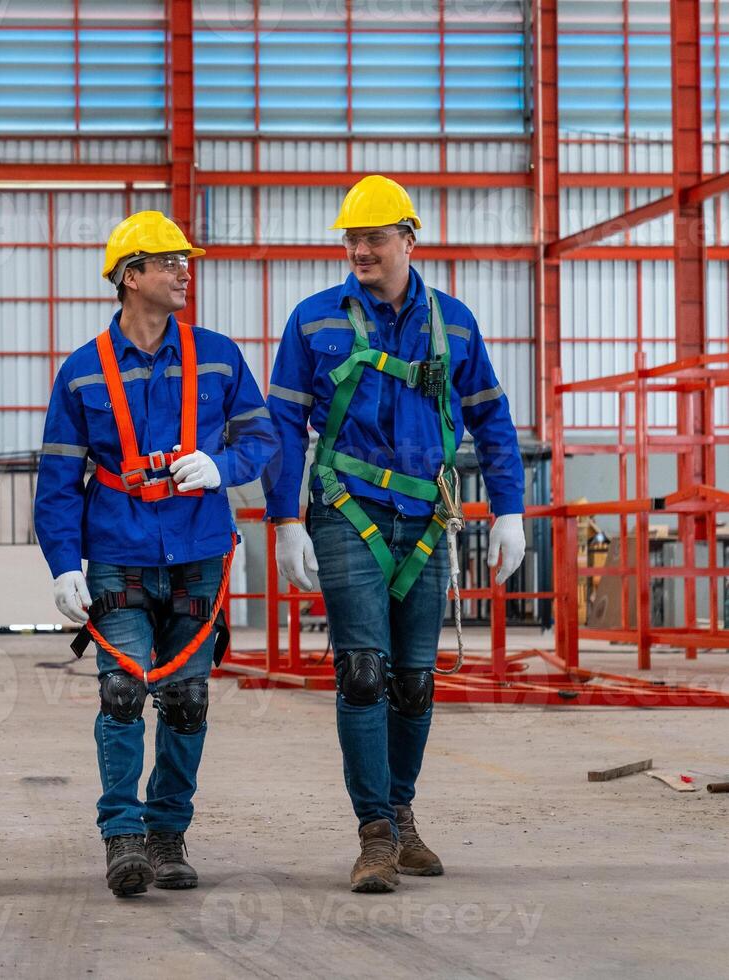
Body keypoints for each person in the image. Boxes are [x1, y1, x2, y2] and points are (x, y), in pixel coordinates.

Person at [263, 175, 526, 893]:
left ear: (407, 240)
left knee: (413, 680)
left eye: (373, 238)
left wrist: (509, 508)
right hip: (346, 511)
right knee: (362, 671)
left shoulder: (455, 324)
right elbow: (281, 424)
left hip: (424, 517)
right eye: (351, 239)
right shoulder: (314, 320)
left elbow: (491, 420)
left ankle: (402, 814)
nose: (360, 250)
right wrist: (284, 521)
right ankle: (373, 832)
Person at [34, 211, 277, 897]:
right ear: (129, 276)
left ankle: (168, 833)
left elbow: (262, 441)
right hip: (117, 549)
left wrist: (221, 466)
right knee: (120, 692)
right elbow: (57, 478)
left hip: (198, 548)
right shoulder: (82, 373)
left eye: (184, 260)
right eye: (168, 261)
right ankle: (123, 836)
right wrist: (63, 564)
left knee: (187, 698)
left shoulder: (222, 357)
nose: (183, 271)